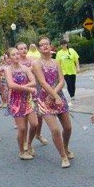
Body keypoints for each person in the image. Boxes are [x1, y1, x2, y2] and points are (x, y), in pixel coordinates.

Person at [32, 37, 74, 168]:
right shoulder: (36, 64)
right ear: (38, 48)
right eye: (41, 45)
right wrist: (53, 96)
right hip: (44, 100)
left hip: (58, 97)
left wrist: (55, 95)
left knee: (68, 128)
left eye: (47, 44)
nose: (44, 46)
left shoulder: (56, 62)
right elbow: (42, 82)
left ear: (51, 46)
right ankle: (63, 156)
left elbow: (62, 81)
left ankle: (65, 147)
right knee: (55, 130)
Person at [5, 48, 38, 160]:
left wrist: (26, 88)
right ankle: (21, 151)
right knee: (22, 128)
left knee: (34, 124)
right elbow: (11, 85)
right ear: (9, 57)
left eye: (17, 54)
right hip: (15, 102)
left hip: (27, 100)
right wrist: (28, 89)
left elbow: (34, 81)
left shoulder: (25, 68)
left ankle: (28, 144)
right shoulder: (8, 69)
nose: (16, 56)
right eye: (13, 54)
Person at [15, 42, 48, 146]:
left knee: (40, 115)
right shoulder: (16, 63)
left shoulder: (32, 61)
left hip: (35, 89)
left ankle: (38, 134)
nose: (24, 50)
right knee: (25, 119)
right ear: (17, 51)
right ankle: (25, 141)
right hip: (23, 93)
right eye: (21, 49)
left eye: (25, 48)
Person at [56, 40, 80, 104]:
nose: (63, 45)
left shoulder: (71, 50)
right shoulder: (59, 53)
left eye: (64, 44)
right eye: (62, 44)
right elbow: (57, 63)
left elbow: (76, 59)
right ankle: (71, 96)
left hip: (72, 70)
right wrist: (59, 72)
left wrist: (78, 67)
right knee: (69, 83)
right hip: (64, 71)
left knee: (73, 84)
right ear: (61, 45)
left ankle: (73, 94)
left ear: (66, 44)